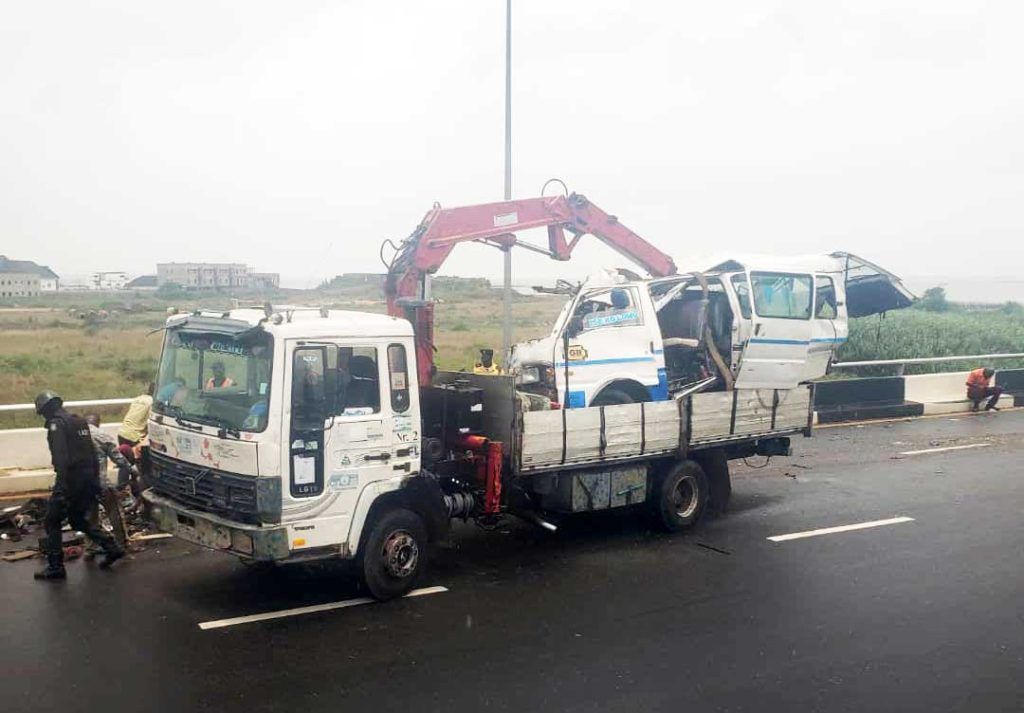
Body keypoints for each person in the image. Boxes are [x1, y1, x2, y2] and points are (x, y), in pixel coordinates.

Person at [33, 391, 124, 580]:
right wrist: (95, 482)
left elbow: (62, 458)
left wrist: (60, 487)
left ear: (47, 409)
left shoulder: (57, 424)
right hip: (88, 479)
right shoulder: (79, 421)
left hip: (70, 481)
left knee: (52, 521)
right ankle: (111, 547)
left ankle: (55, 566)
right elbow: (91, 453)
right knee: (77, 519)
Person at [118, 383, 153, 449]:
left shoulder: (138, 398)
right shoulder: (152, 402)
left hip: (122, 432)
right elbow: (152, 421)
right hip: (134, 437)